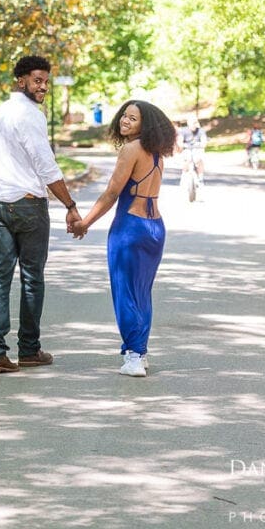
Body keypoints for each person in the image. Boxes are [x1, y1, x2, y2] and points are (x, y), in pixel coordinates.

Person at [0, 55, 82, 374]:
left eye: (47, 81)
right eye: (38, 80)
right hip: (26, 205)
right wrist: (70, 205)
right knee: (31, 278)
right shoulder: (30, 116)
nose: (44, 87)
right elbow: (45, 165)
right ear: (20, 80)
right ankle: (28, 349)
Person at [71, 101, 176, 377]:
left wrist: (84, 223)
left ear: (145, 125)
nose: (125, 121)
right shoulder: (156, 153)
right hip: (155, 228)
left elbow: (111, 194)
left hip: (131, 228)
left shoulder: (131, 150)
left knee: (125, 292)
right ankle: (140, 350)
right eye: (124, 116)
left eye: (133, 118)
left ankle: (133, 356)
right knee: (142, 292)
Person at [178, 113, 208, 185]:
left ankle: (200, 178)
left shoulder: (201, 131)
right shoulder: (183, 130)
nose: (193, 124)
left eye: (195, 122)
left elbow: (204, 140)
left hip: (197, 149)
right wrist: (181, 145)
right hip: (187, 149)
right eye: (192, 123)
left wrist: (203, 144)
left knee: (198, 160)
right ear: (188, 123)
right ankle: (183, 176)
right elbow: (180, 140)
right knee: (186, 160)